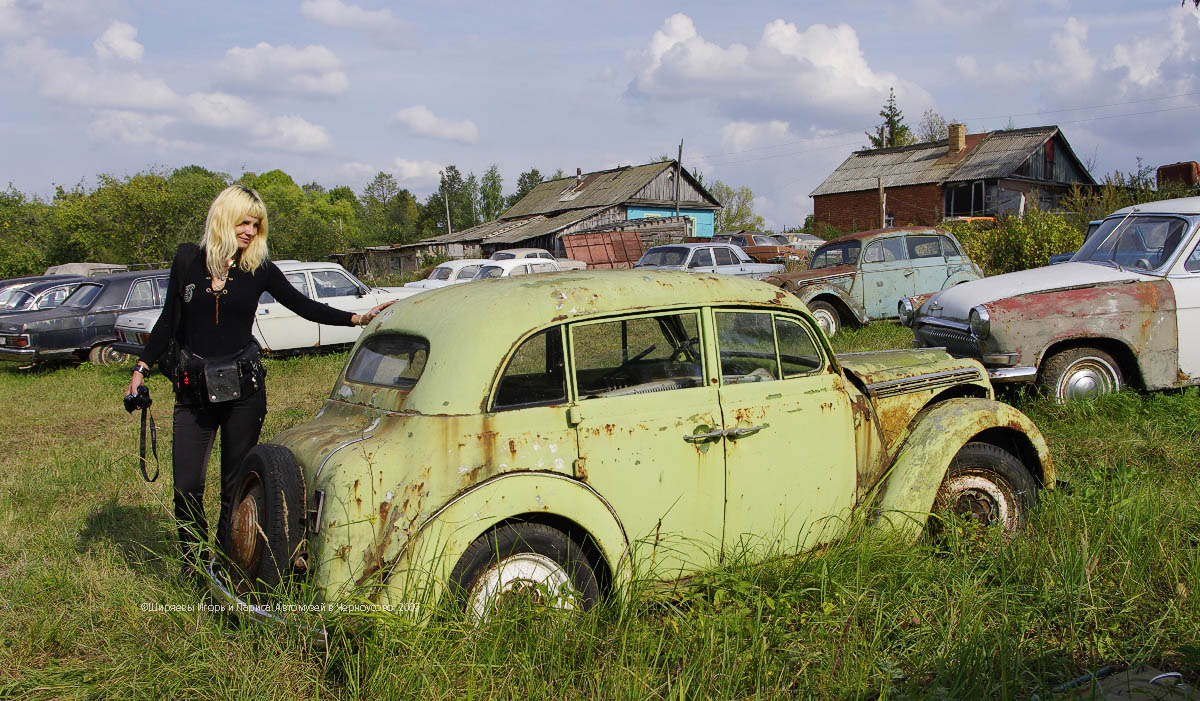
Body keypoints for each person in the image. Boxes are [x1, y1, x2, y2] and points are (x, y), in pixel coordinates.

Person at [126, 184, 392, 576]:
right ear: (224, 218)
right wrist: (141, 369)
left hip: (243, 393)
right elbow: (169, 320)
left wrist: (357, 318)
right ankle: (193, 562)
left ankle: (224, 563)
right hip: (193, 393)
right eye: (244, 223)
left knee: (233, 485)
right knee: (186, 488)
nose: (251, 232)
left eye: (257, 225)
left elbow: (303, 305)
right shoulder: (187, 259)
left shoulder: (258, 268)